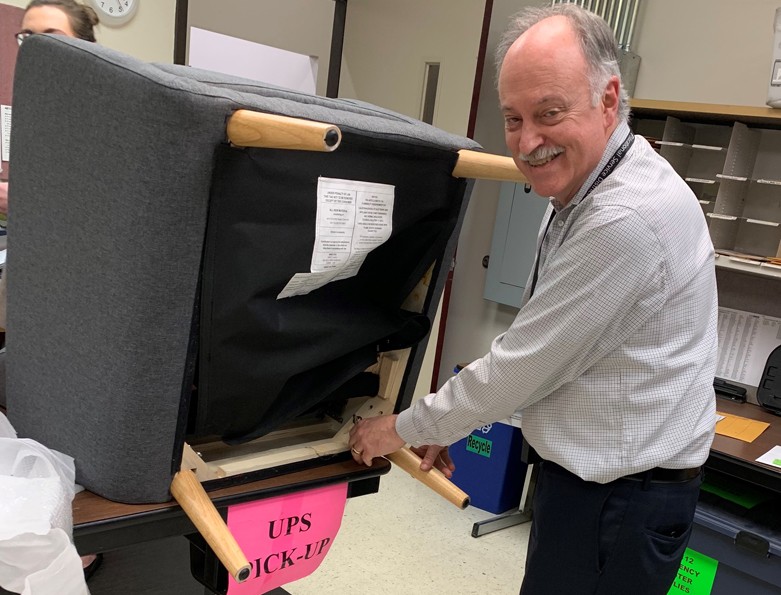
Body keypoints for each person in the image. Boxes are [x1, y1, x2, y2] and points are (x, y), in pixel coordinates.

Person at [348, 4, 717, 594]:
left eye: (548, 113)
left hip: (619, 501)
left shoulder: (623, 219)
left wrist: (403, 426)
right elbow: (545, 354)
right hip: (604, 486)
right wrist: (453, 422)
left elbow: (524, 365)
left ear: (607, 98)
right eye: (513, 118)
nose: (528, 141)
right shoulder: (595, 182)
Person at [6, 0, 103, 582]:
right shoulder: (39, 110)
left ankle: (77, 537)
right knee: (35, 401)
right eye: (24, 37)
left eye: (48, 36)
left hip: (85, 283)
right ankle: (52, 525)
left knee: (72, 408)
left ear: (84, 46)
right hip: (42, 276)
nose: (32, 47)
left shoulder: (105, 110)